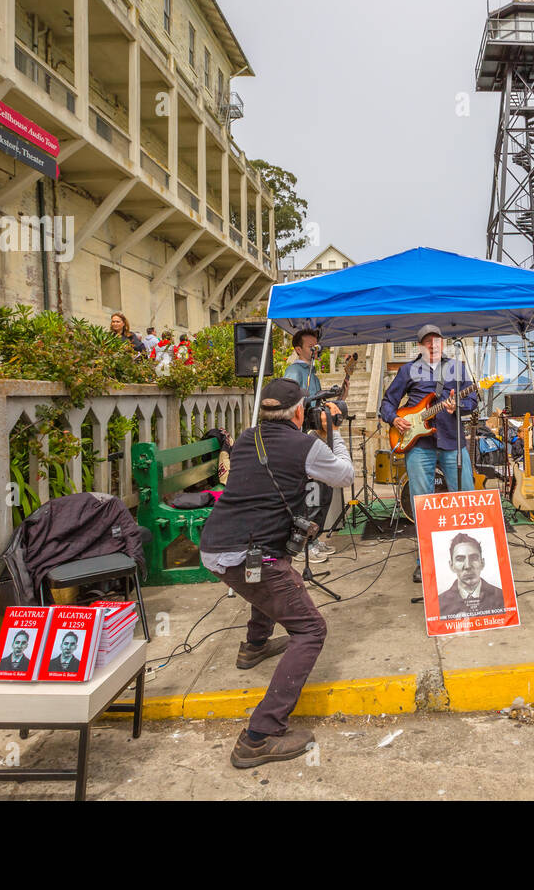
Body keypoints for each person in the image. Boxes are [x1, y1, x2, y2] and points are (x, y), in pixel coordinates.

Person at [199, 378, 353, 769]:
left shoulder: (250, 436)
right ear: (300, 412)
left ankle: (255, 644)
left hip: (218, 543)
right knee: (310, 629)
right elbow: (344, 476)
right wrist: (333, 431)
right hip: (248, 554)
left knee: (268, 578)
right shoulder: (307, 445)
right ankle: (260, 735)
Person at [380, 325, 477, 583]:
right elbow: (387, 403)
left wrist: (458, 405)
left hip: (452, 440)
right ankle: (425, 561)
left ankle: (469, 558)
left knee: (465, 498)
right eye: (427, 342)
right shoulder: (408, 370)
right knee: (422, 505)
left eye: (436, 340)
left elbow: (474, 401)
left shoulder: (456, 367)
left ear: (443, 343)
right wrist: (394, 420)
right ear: (420, 346)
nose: (432, 345)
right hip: (418, 444)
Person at [281, 328, 340, 563]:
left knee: (323, 488)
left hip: (316, 436)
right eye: (311, 347)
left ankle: (314, 538)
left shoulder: (311, 371)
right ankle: (303, 543)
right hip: (303, 438)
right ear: (298, 349)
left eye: (318, 346)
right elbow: (295, 403)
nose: (316, 350)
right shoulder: (295, 371)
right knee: (311, 492)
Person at [437, 532, 506, 618]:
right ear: (451, 566)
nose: (468, 566)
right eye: (460, 559)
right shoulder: (439, 603)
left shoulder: (502, 597)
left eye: (473, 558)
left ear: (482, 563)